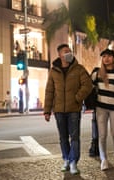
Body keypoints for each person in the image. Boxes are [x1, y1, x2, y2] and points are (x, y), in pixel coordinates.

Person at [43, 44, 93, 175]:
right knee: (63, 137)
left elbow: (88, 85)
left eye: (69, 51)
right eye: (66, 51)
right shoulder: (54, 71)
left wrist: (77, 98)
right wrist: (47, 110)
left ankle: (73, 162)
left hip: (73, 110)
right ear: (59, 54)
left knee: (74, 137)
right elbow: (49, 91)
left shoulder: (79, 69)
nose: (69, 53)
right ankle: (66, 159)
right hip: (59, 110)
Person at [91, 48, 114, 171]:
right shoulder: (97, 73)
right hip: (100, 107)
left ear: (113, 58)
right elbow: (90, 86)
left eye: (109, 56)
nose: (106, 59)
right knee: (102, 135)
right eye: (104, 56)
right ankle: (104, 159)